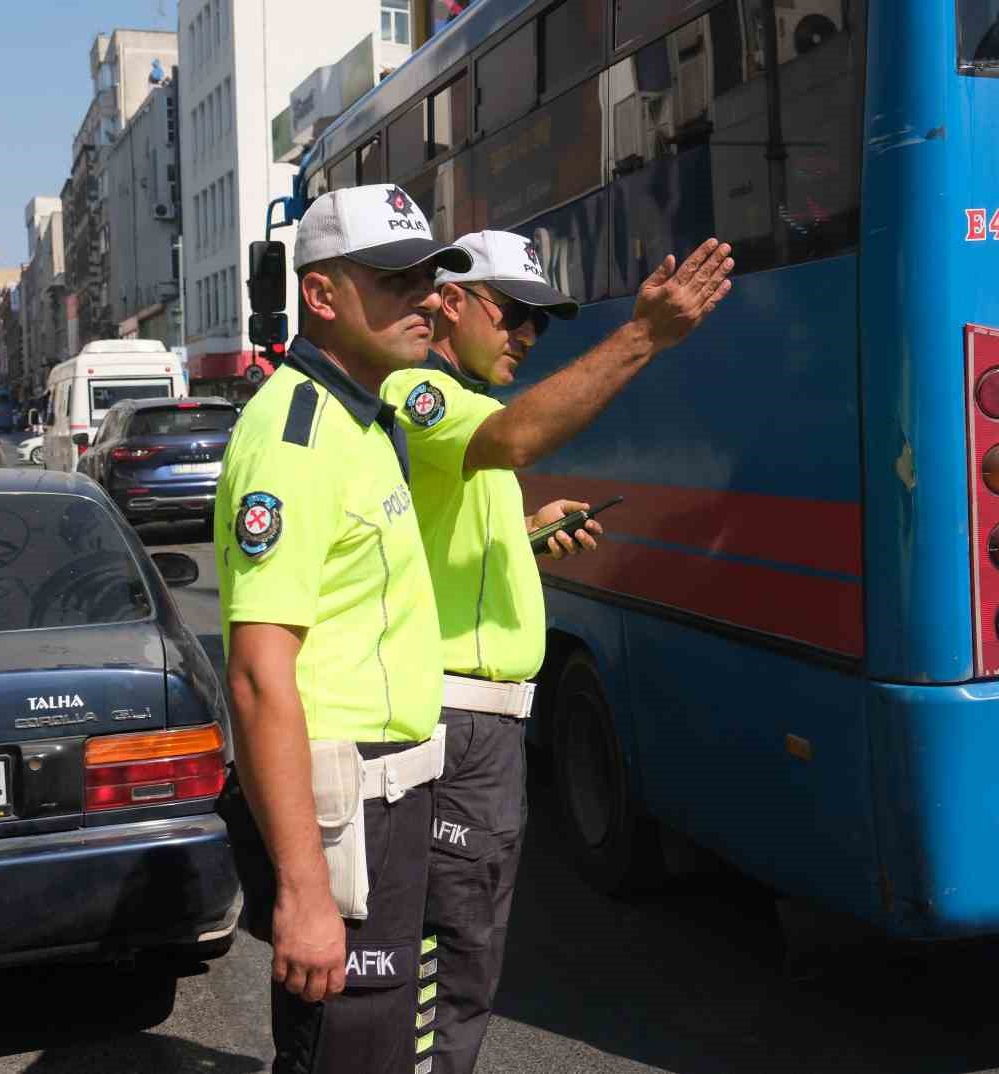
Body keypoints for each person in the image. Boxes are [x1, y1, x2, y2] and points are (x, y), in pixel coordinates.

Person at [379, 230, 734, 1073]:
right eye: (513, 315)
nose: (527, 337)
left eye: (541, 323)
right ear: (451, 300)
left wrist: (528, 533)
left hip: (481, 724)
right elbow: (514, 441)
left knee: (466, 958)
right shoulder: (423, 391)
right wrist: (643, 335)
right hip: (454, 719)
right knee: (446, 965)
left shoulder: (464, 407)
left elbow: (443, 538)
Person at [214, 184, 473, 1074]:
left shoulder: (367, 416)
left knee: (383, 1043)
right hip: (343, 807)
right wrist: (302, 892)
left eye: (432, 278)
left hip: (391, 795)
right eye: (398, 279)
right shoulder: (292, 439)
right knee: (344, 1050)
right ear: (321, 296)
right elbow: (256, 676)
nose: (429, 299)